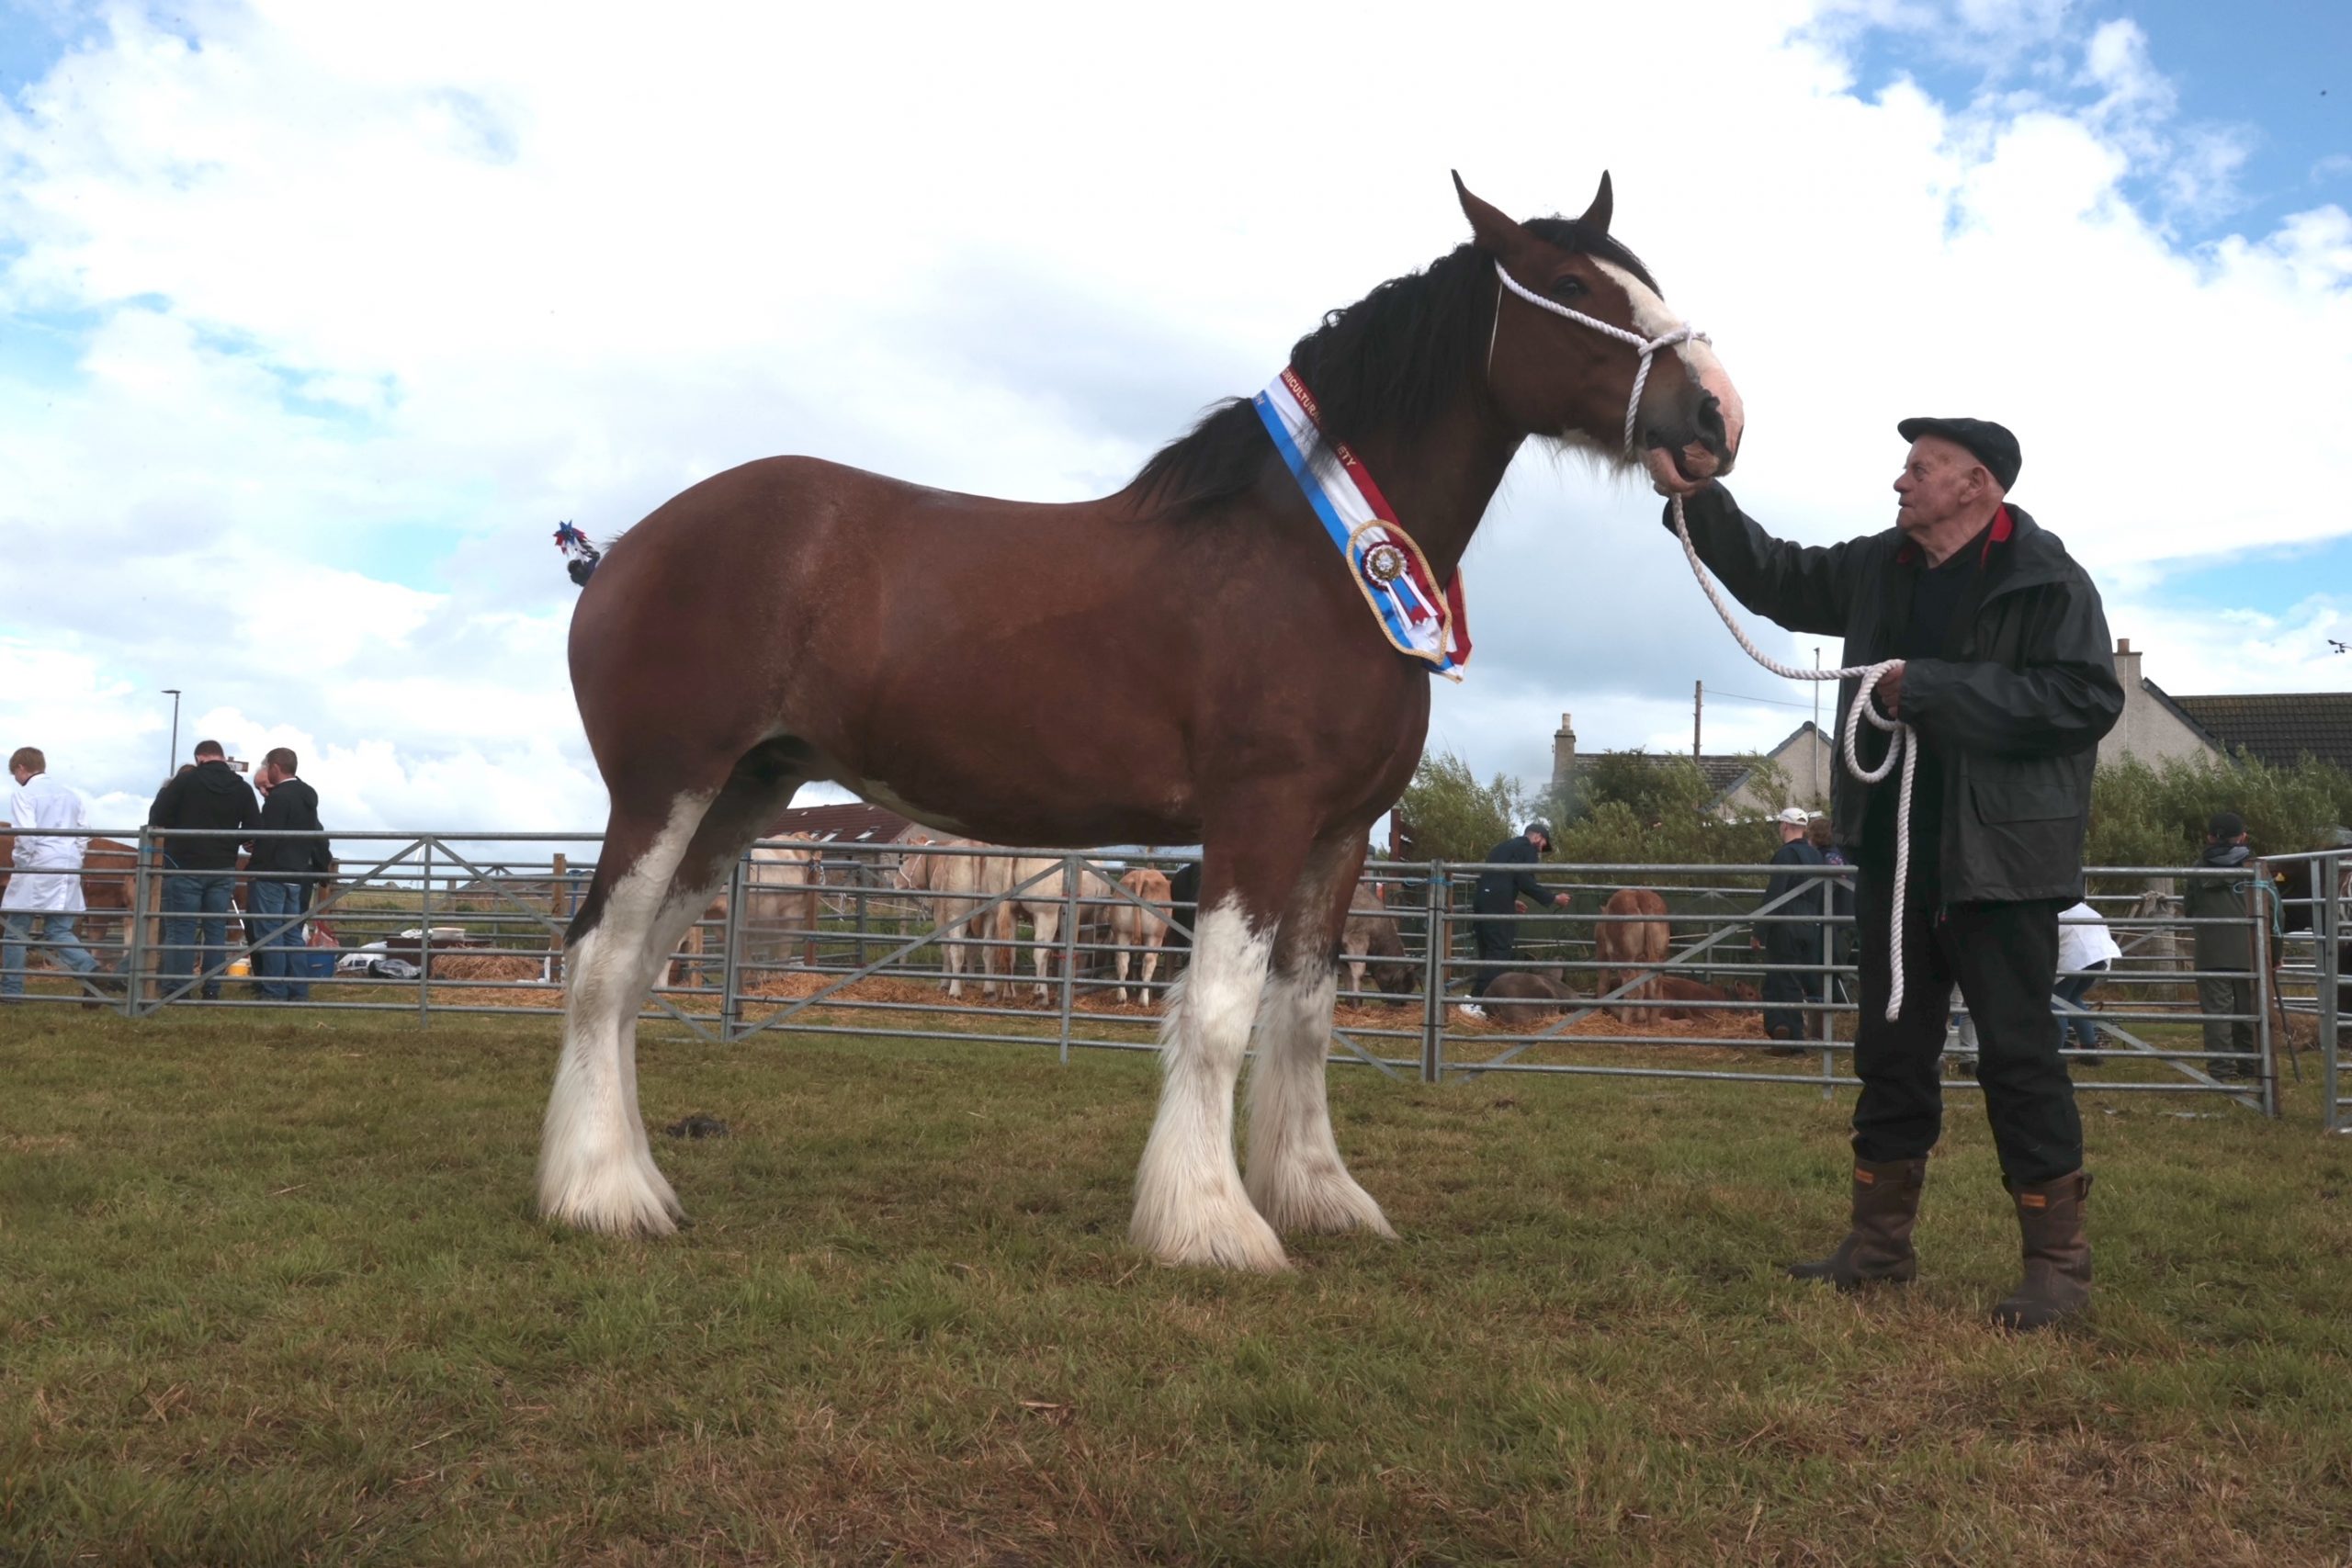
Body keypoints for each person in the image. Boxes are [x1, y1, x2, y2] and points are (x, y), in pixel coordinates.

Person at [1657, 415, 2122, 1331]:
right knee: (1891, 1050)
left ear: (1977, 485)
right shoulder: (1881, 564)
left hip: (2002, 864)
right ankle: (1877, 1249)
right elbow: (1778, 577)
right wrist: (1698, 494)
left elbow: (2085, 698)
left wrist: (1936, 689)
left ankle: (2057, 1270)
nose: (1900, 482)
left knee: (2019, 1056)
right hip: (1896, 853)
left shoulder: (2049, 579)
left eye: (1920, 468)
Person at [147, 740, 260, 1000]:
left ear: (199, 758)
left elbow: (157, 817)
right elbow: (254, 827)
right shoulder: (241, 788)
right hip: (222, 867)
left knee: (181, 929)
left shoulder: (185, 781)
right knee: (216, 930)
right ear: (222, 758)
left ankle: (178, 990)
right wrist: (230, 840)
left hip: (184, 865)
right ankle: (212, 989)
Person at [2, 747, 105, 1003]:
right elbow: (84, 832)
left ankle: (11, 991)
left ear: (21, 768)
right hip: (68, 867)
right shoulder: (71, 795)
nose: (16, 778)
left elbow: (26, 835)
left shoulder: (25, 794)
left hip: (36, 866)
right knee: (59, 930)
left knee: (15, 932)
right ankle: (92, 970)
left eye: (15, 773)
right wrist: (75, 858)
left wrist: (21, 864)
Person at [247, 747, 333, 1002]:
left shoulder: (278, 798)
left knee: (270, 934)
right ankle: (298, 989)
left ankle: (274, 990)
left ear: (275, 767)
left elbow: (270, 837)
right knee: (292, 933)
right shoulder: (308, 794)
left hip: (273, 873)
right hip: (297, 873)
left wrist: (255, 864)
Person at [1461, 821, 1570, 1016]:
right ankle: (1476, 1001)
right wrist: (1553, 898)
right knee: (1499, 950)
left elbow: (1497, 879)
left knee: (1487, 950)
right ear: (1537, 837)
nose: (1541, 850)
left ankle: (1482, 1001)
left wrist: (1509, 900)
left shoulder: (1502, 847)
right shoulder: (1528, 848)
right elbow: (1525, 880)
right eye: (1543, 844)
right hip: (1497, 905)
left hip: (1483, 900)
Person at [2186, 812, 2258, 1083]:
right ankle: (2251, 1066)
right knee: (2249, 1010)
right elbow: (2275, 912)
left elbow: (2190, 908)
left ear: (2209, 838)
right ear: (2243, 837)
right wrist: (2275, 953)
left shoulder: (2197, 869)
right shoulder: (2255, 868)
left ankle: (2221, 1072)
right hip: (2250, 951)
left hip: (2211, 952)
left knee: (2217, 1013)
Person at [1758, 806, 1826, 1045]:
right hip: (1810, 921)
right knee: (1797, 977)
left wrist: (1759, 929)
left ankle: (1790, 1034)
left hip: (1786, 921)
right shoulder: (1815, 856)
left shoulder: (1785, 855)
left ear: (1785, 825)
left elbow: (1775, 894)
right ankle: (1785, 1027)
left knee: (1782, 978)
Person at [2053, 898, 2121, 1069]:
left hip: (2077, 955)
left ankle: (2054, 1056)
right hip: (2098, 956)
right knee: (2072, 999)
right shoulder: (2076, 905)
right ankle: (2089, 1050)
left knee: (2056, 1002)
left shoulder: (2053, 907)